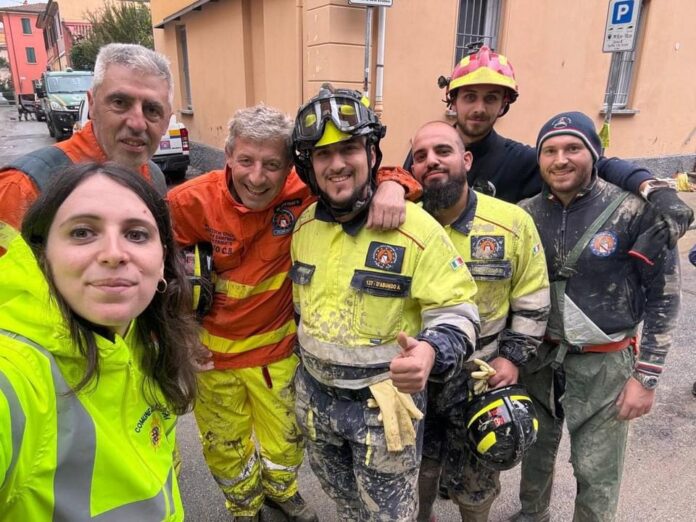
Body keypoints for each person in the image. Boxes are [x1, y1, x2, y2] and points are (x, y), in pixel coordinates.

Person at [166, 104, 420, 522]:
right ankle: (245, 507)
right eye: (245, 161)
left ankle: (281, 493)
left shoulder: (303, 189)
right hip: (211, 358)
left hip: (277, 354)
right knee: (224, 447)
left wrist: (393, 186)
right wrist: (181, 336)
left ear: (290, 167)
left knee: (286, 443)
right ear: (227, 155)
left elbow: (368, 174)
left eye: (271, 164)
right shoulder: (189, 202)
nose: (257, 177)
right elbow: (151, 265)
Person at [290, 86, 480, 521]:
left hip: (383, 409)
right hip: (316, 403)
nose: (337, 164)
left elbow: (460, 309)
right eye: (323, 154)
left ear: (371, 153)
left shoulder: (416, 229)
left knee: (389, 516)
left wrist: (430, 351)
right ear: (309, 165)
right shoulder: (303, 227)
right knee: (346, 506)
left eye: (349, 149)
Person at [0, 162, 200, 520]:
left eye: (136, 234)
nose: (113, 253)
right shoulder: (15, 376)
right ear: (43, 255)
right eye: (82, 232)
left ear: (161, 262)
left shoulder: (145, 341)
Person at [514, 112, 680, 521]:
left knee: (597, 469)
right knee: (535, 450)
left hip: (605, 364)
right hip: (539, 360)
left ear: (594, 153)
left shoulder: (635, 212)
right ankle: (532, 514)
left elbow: (665, 298)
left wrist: (646, 378)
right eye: (550, 150)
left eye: (573, 148)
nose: (560, 159)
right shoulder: (523, 215)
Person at [403, 45, 693, 247]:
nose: (479, 108)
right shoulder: (427, 154)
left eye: (491, 98)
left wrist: (652, 187)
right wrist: (392, 187)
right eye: (470, 97)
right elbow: (403, 188)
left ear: (504, 105)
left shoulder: (518, 160)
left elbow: (597, 165)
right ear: (452, 100)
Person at [409, 121, 550, 522]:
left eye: (443, 151)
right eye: (420, 156)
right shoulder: (404, 223)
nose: (432, 161)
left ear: (467, 160)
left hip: (481, 378)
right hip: (419, 379)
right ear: (413, 170)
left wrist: (512, 357)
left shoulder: (510, 222)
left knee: (477, 481)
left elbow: (533, 296)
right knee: (419, 470)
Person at [0, 43, 172, 235]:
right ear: (92, 105)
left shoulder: (154, 177)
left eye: (152, 110)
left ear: (167, 120)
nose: (137, 124)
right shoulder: (23, 189)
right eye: (119, 103)